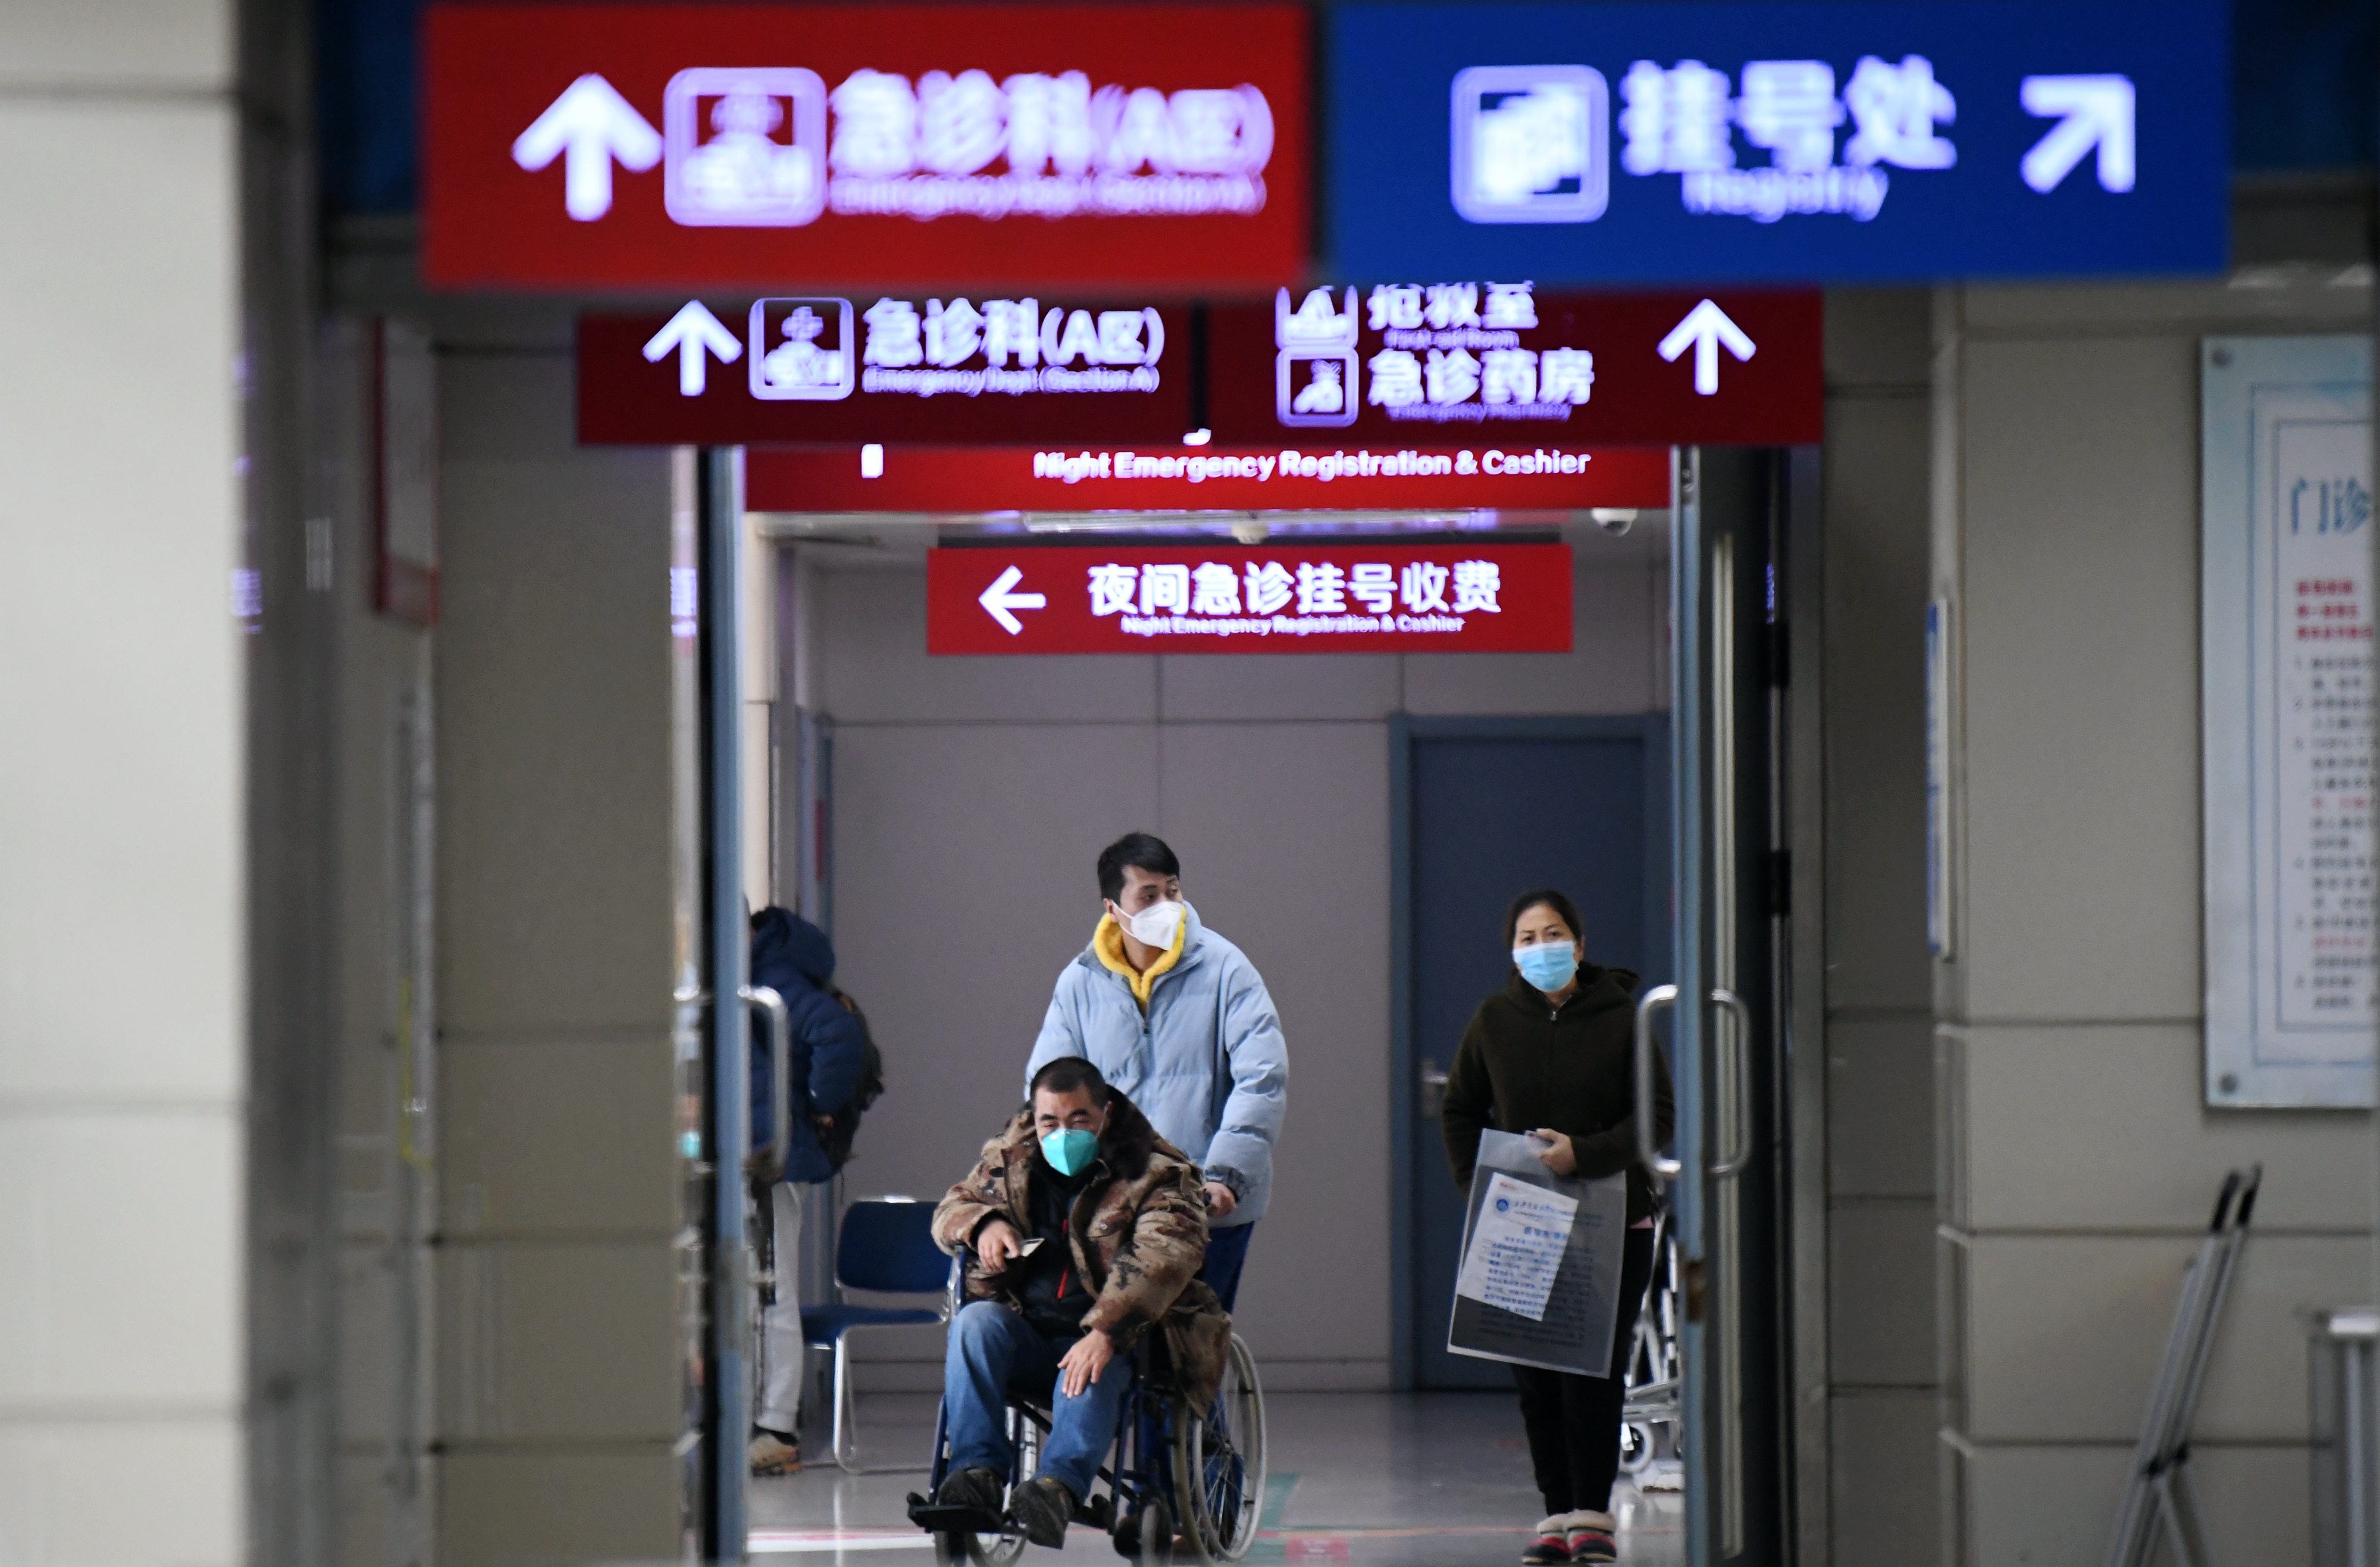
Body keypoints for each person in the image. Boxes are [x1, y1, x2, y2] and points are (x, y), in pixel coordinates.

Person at [1440, 889, 1676, 1567]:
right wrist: (1478, 1189)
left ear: (1579, 943)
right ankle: (1555, 1512)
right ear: (1512, 951)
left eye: (1553, 933)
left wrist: (1587, 1153)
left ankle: (1591, 1514)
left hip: (1615, 1218)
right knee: (1535, 1375)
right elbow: (1460, 1109)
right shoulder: (1494, 1020)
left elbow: (1657, 1116)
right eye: (1527, 937)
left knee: (1592, 1371)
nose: (1541, 947)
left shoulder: (1621, 1016)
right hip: (1522, 1223)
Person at [929, 1058, 1232, 1549]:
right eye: (1049, 1121)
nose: (1062, 1133)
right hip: (1029, 1329)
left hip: (1121, 1339)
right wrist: (983, 1223)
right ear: (1034, 1116)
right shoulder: (1011, 1156)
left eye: (1078, 1119)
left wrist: (1106, 1331)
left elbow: (1162, 1257)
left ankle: (1055, 1488)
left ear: (1105, 1114)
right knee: (974, 1322)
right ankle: (975, 1474)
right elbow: (951, 1208)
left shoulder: (1157, 1171)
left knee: (1091, 1362)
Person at [1025, 833, 1286, 1312]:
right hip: (1115, 1207)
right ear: (1112, 908)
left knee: (1194, 1340)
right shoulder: (1081, 982)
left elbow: (1262, 1078)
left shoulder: (1227, 970)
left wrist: (1226, 1175)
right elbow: (1047, 1087)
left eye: (1173, 890)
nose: (1166, 906)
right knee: (1115, 1335)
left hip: (1204, 1203)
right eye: (1148, 896)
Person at [746, 905, 872, 1477]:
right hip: (755, 1157)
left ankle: (776, 1425)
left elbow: (836, 1035)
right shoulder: (760, 972)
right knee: (759, 1291)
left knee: (773, 1291)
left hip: (769, 1161)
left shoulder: (773, 976)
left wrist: (816, 1105)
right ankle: (761, 1419)